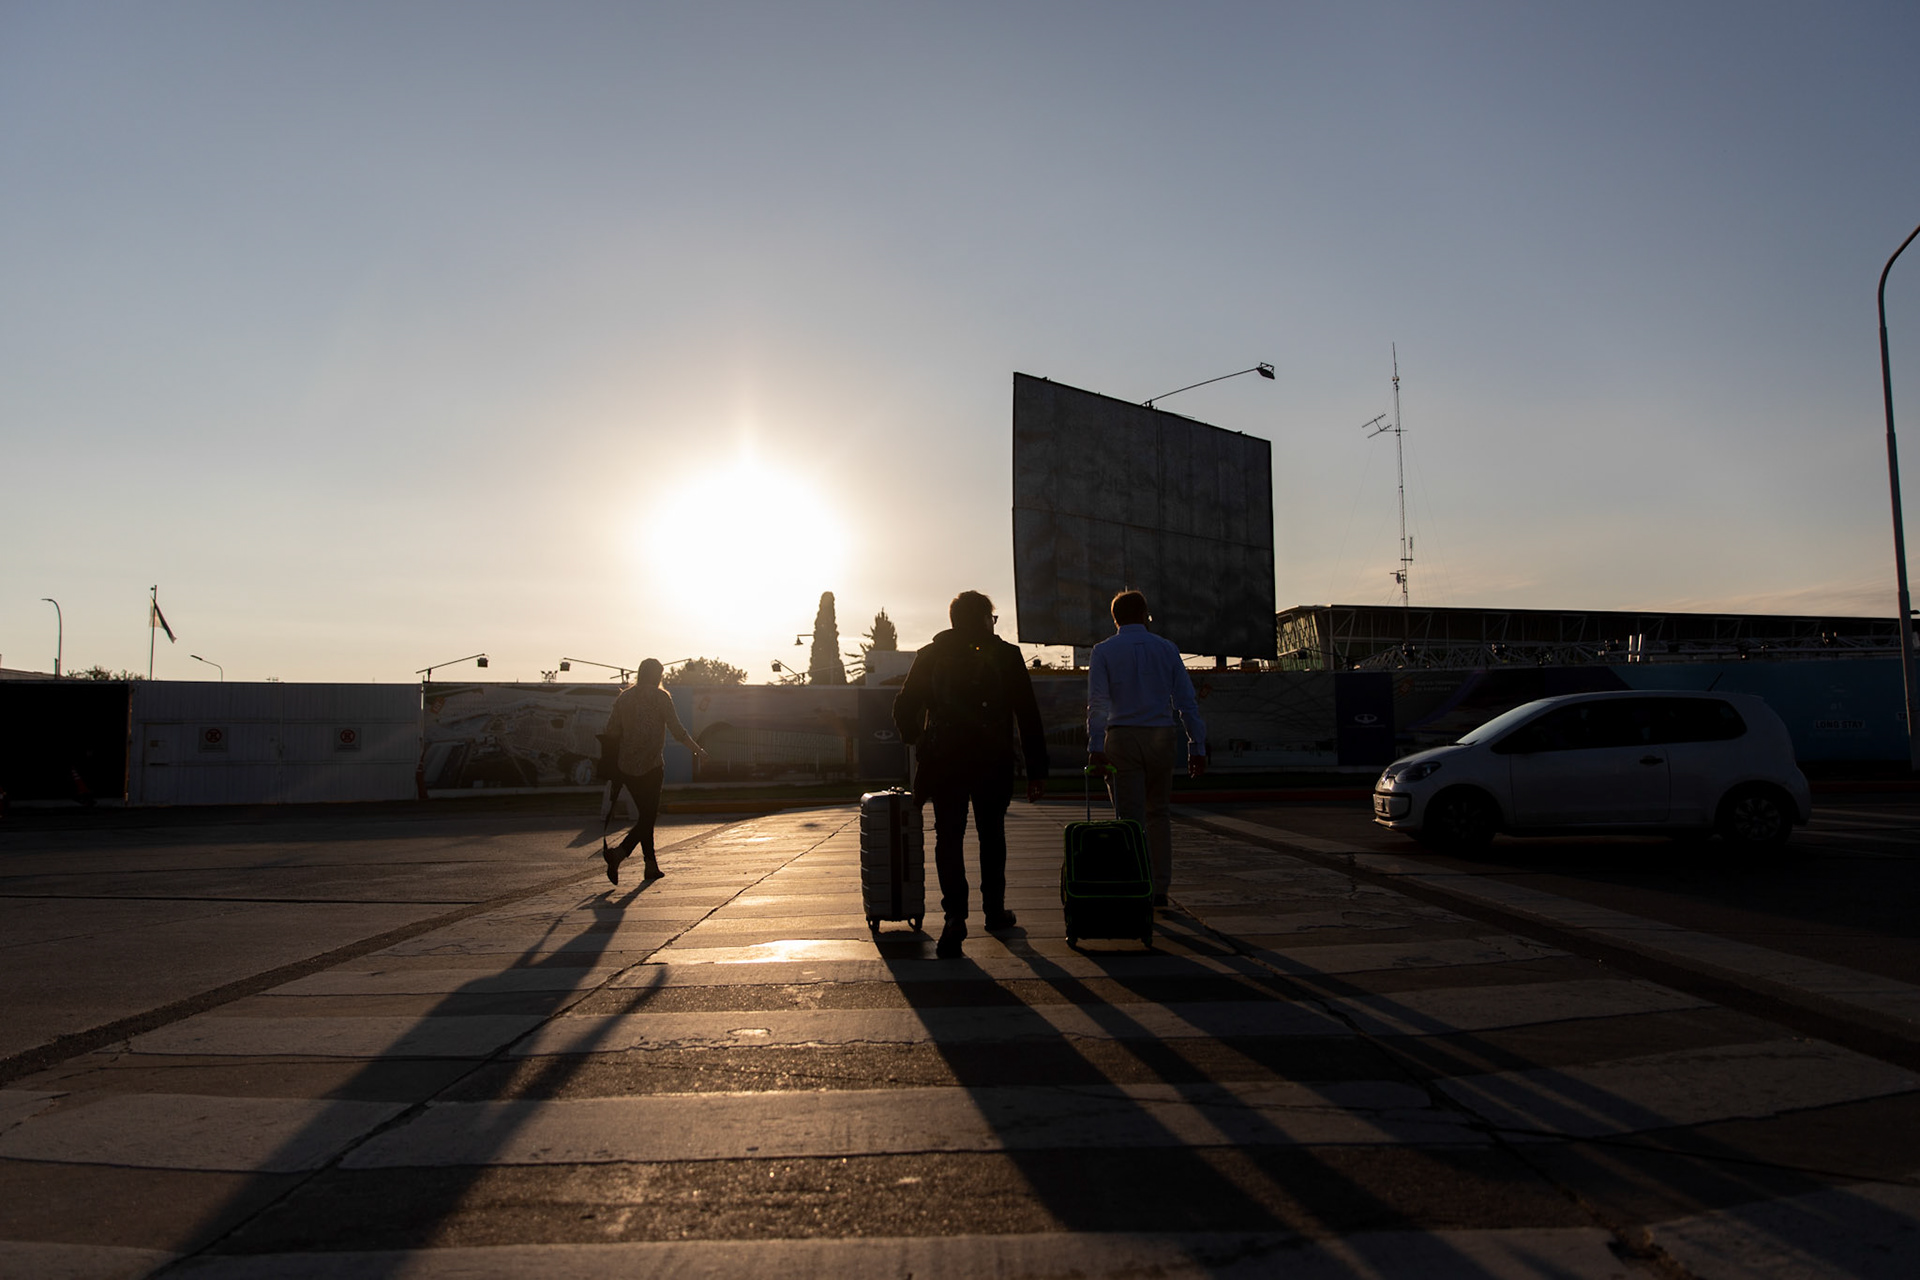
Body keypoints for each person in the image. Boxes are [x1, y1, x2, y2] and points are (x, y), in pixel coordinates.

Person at [893, 591, 1050, 958]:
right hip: (992, 761)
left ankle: (954, 917)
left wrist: (919, 740)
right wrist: (1037, 770)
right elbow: (1028, 715)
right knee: (991, 835)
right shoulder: (1007, 656)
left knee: (948, 836)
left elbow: (903, 705)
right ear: (984, 619)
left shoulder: (930, 655)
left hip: (944, 762)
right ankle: (994, 912)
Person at [1086, 590, 1207, 908]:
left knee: (1129, 817)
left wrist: (1095, 744)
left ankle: (1134, 882)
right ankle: (1159, 888)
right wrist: (1198, 745)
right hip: (1160, 734)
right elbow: (1185, 701)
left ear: (1115, 619)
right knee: (1159, 813)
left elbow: (1098, 702)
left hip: (1122, 737)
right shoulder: (1167, 649)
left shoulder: (1103, 651)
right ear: (1145, 614)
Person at [603, 658, 705, 885]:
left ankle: (651, 866)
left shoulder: (624, 698)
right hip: (651, 767)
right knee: (648, 817)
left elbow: (610, 730)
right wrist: (697, 750)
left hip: (626, 768)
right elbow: (677, 731)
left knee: (645, 816)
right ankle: (620, 853)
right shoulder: (661, 697)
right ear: (657, 675)